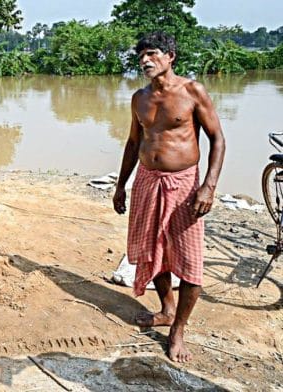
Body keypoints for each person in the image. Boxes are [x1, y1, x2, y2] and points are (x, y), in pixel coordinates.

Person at [112, 32, 225, 363]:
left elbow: (218, 138)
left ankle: (177, 330)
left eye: (152, 54)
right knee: (152, 250)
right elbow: (134, 144)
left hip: (184, 185)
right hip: (147, 181)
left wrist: (209, 186)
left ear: (170, 56)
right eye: (141, 57)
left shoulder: (192, 91)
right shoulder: (139, 99)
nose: (145, 61)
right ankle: (165, 309)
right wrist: (121, 185)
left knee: (189, 262)